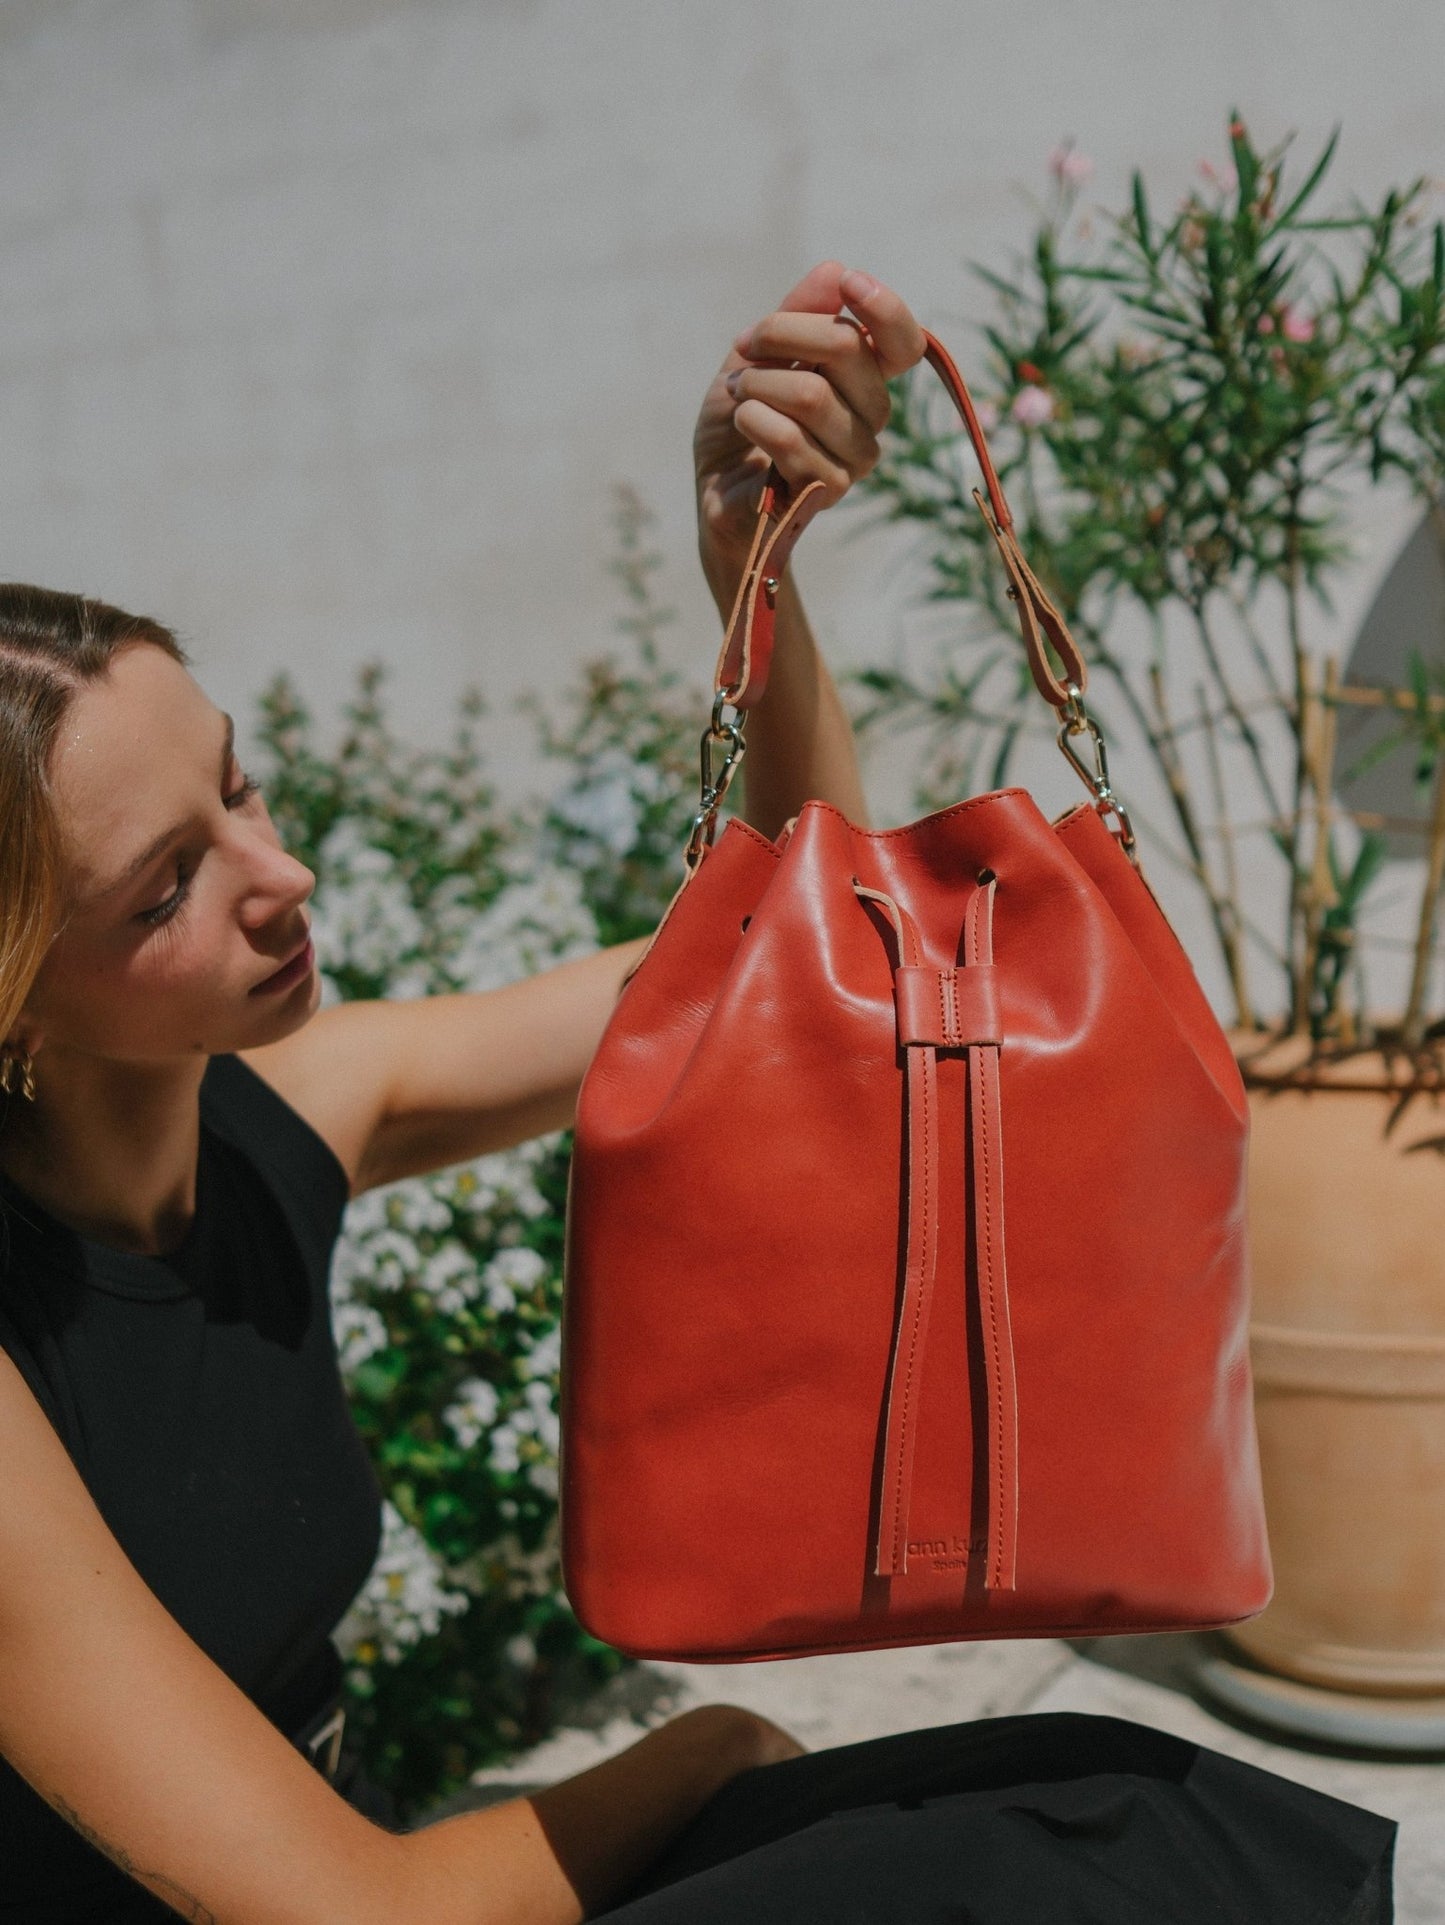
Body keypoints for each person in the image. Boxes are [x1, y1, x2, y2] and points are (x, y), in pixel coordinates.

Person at [0, 267, 1396, 1925]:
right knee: (1012, 1870)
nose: (280, 870)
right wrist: (715, 1742)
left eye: (237, 782)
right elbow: (350, 1912)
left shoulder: (304, 1102)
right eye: (167, 888)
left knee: (1119, 1800)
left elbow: (807, 1001)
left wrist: (750, 570)